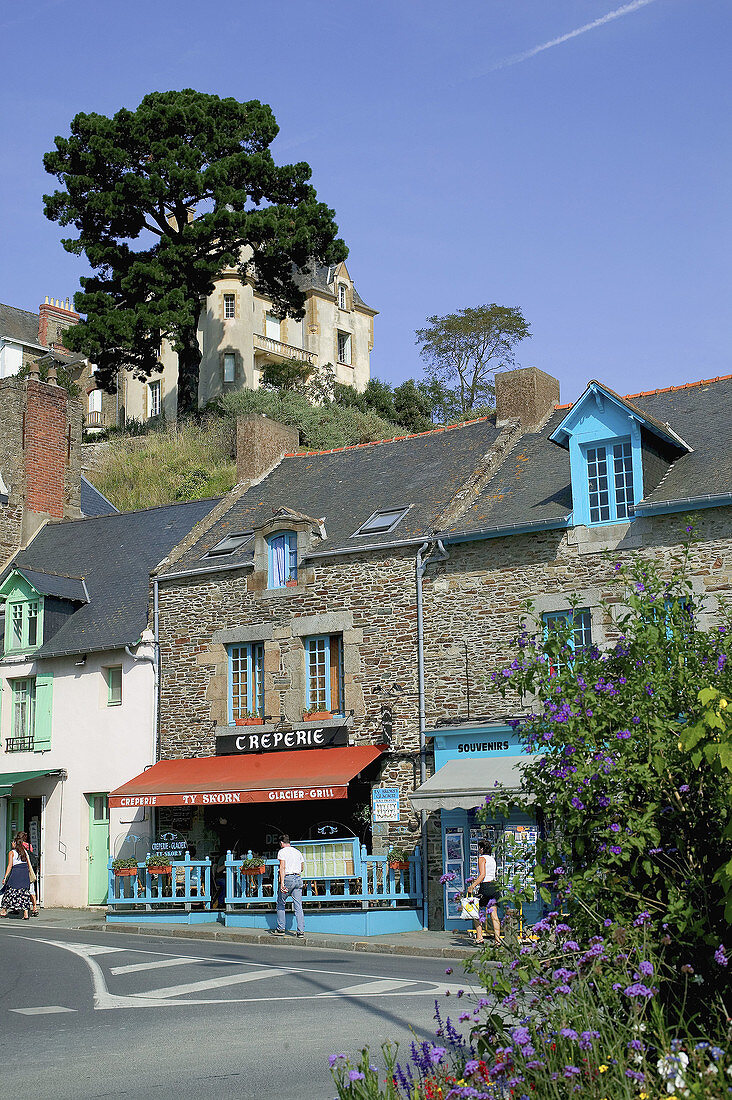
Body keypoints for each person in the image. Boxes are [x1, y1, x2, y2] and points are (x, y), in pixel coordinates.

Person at [467, 839, 501, 945]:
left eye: (479, 848)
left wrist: (472, 886)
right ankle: (497, 940)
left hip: (486, 886)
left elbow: (482, 875)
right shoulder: (492, 859)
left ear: (482, 849)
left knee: (475, 911)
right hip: (494, 887)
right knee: (494, 914)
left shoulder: (481, 858)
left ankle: (479, 937)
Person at [271, 834, 305, 937]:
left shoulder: (282, 852)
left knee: (281, 903)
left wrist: (282, 883)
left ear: (281, 843)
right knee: (298, 905)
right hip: (298, 878)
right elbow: (302, 867)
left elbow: (282, 867)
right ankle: (300, 931)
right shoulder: (297, 852)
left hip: (288, 879)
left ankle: (281, 928)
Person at [1, 833, 35, 919]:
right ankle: (26, 913)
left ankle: (4, 911)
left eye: (13, 842)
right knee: (24, 893)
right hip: (24, 873)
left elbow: (10, 865)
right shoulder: (24, 852)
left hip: (16, 872)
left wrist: (5, 877)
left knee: (9, 891)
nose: (12, 843)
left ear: (15, 843)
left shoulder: (11, 852)